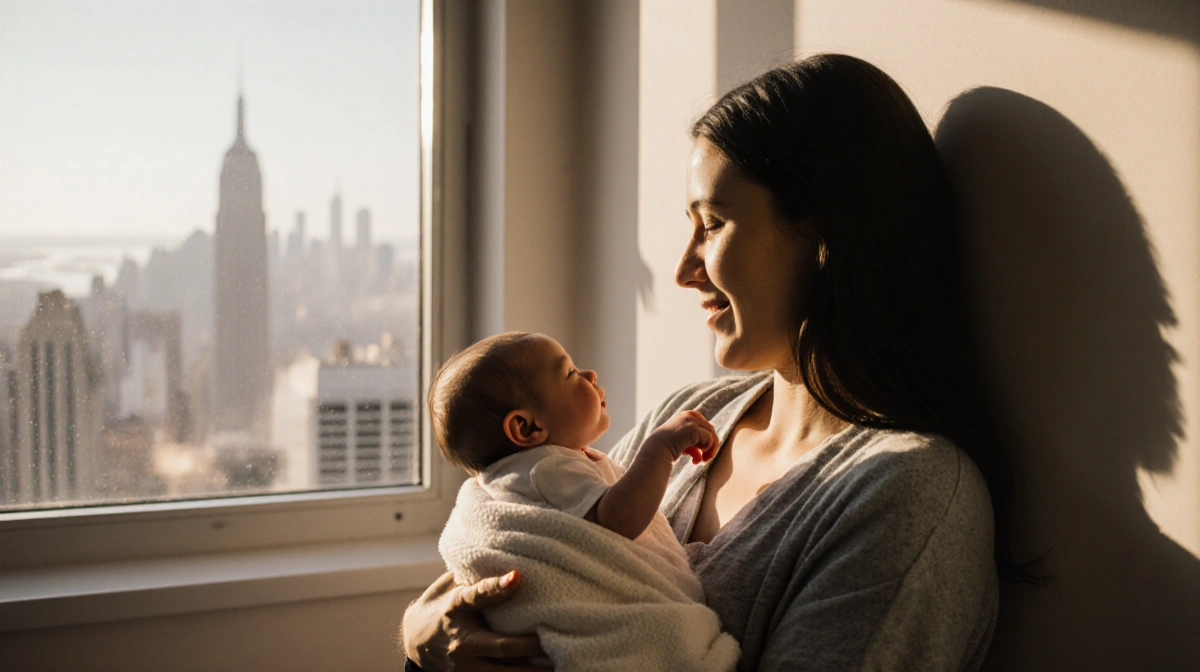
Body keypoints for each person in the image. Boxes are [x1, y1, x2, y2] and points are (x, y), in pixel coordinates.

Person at [403, 53, 1021, 671]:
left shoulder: (907, 496)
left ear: (826, 232)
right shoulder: (687, 416)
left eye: (714, 224)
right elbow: (535, 554)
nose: (682, 269)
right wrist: (420, 632)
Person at [429, 331, 739, 670]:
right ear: (527, 428)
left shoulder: (541, 470)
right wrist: (660, 449)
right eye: (570, 373)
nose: (590, 375)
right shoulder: (546, 468)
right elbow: (619, 520)